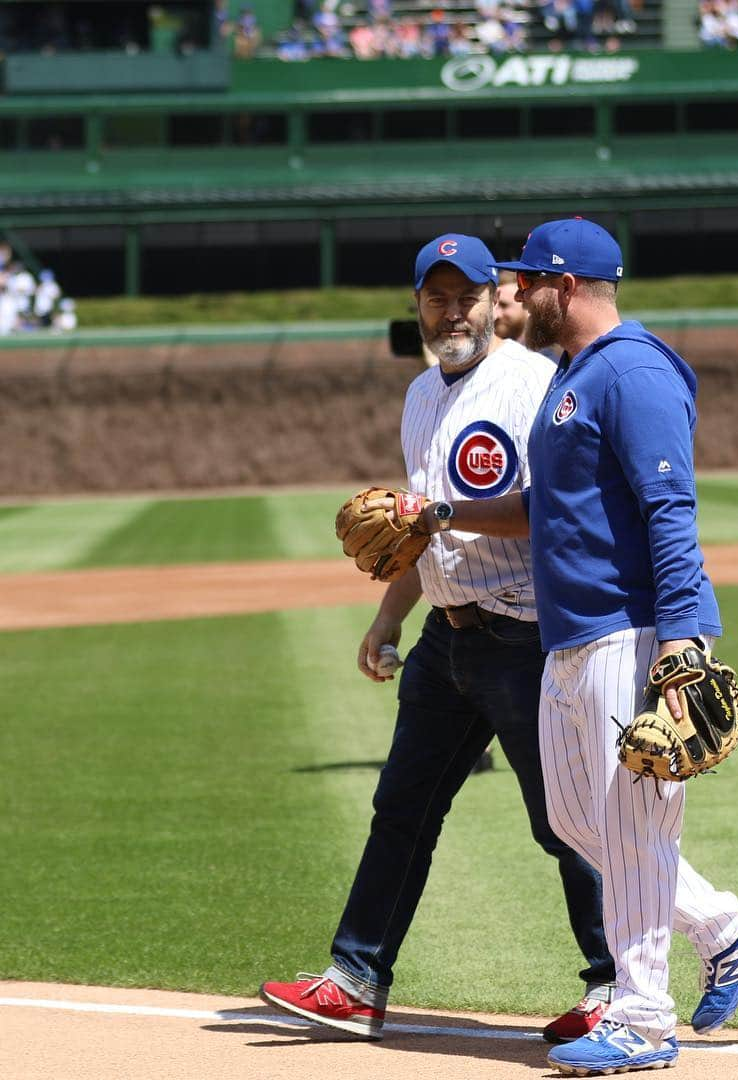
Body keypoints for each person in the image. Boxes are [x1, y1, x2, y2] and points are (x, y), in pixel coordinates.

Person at [408, 219, 738, 1075]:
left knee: (635, 823)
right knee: (577, 820)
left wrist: (683, 642)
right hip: (568, 635)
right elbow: (550, 511)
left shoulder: (636, 371)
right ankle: (728, 928)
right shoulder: (573, 377)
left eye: (524, 283)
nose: (511, 298)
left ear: (565, 288)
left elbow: (670, 512)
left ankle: (644, 1017)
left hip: (632, 626)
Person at [260, 233, 616, 1044]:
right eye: (437, 297)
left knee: (567, 822)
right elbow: (418, 531)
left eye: (468, 296)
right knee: (403, 807)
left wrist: (439, 515)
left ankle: (615, 986)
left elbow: (544, 511)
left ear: (499, 301)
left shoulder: (534, 386)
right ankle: (355, 980)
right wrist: (388, 618)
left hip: (525, 639)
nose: (452, 311)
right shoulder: (422, 395)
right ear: (417, 306)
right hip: (445, 638)